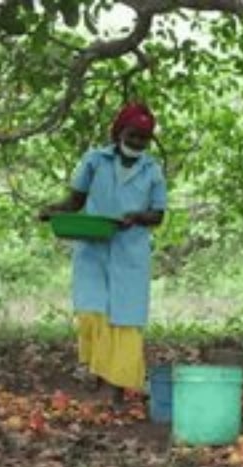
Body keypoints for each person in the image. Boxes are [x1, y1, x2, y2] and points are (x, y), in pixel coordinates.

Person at [38, 102, 167, 404]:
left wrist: (136, 217)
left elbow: (158, 215)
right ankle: (96, 370)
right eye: (133, 135)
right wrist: (52, 212)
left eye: (143, 139)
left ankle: (119, 389)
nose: (137, 143)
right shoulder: (95, 161)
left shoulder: (152, 170)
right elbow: (75, 202)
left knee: (125, 318)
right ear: (120, 132)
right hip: (93, 248)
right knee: (93, 310)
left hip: (130, 251)